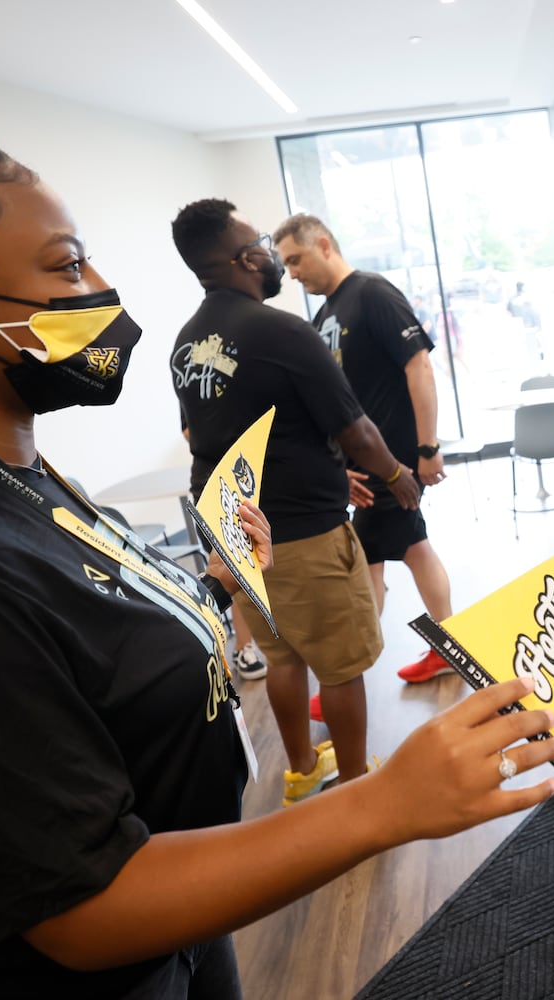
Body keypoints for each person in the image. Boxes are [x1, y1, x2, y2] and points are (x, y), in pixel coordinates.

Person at [0, 116, 554, 1000]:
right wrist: (384, 802)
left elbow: (79, 641)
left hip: (185, 932)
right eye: (64, 267)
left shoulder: (11, 476)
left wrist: (210, 578)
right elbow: (85, 908)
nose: (101, 290)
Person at [172, 199, 425, 801]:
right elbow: (355, 429)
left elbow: (203, 432)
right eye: (258, 241)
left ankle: (302, 768)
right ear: (242, 259)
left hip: (236, 533)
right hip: (302, 535)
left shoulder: (185, 344)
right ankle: (359, 790)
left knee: (282, 657)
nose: (267, 252)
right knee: (339, 663)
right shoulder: (283, 330)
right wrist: (396, 476)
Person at [273, 214, 456, 690]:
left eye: (295, 259)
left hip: (391, 459)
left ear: (325, 245)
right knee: (399, 549)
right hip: (362, 464)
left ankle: (356, 676)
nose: (291, 272)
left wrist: (427, 447)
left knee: (382, 553)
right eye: (285, 263)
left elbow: (419, 366)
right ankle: (442, 648)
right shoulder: (324, 314)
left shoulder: (372, 293)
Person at [181, 409, 267, 680]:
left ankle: (250, 647)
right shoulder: (188, 366)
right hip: (220, 486)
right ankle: (243, 647)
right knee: (235, 568)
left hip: (257, 480)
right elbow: (187, 429)